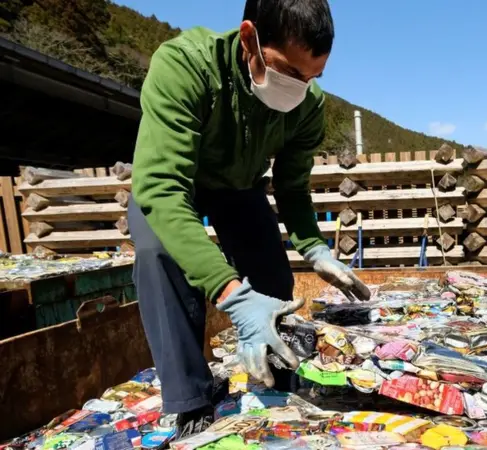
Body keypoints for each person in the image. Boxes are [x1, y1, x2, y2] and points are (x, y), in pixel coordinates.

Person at [128, 0, 370, 436]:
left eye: (312, 76)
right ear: (248, 38)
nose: (299, 87)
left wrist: (314, 248)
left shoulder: (307, 104)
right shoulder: (184, 66)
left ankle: (275, 372)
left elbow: (293, 186)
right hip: (174, 185)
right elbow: (161, 189)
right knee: (158, 255)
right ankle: (189, 399)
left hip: (239, 189)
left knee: (273, 277)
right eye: (288, 72)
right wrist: (232, 297)